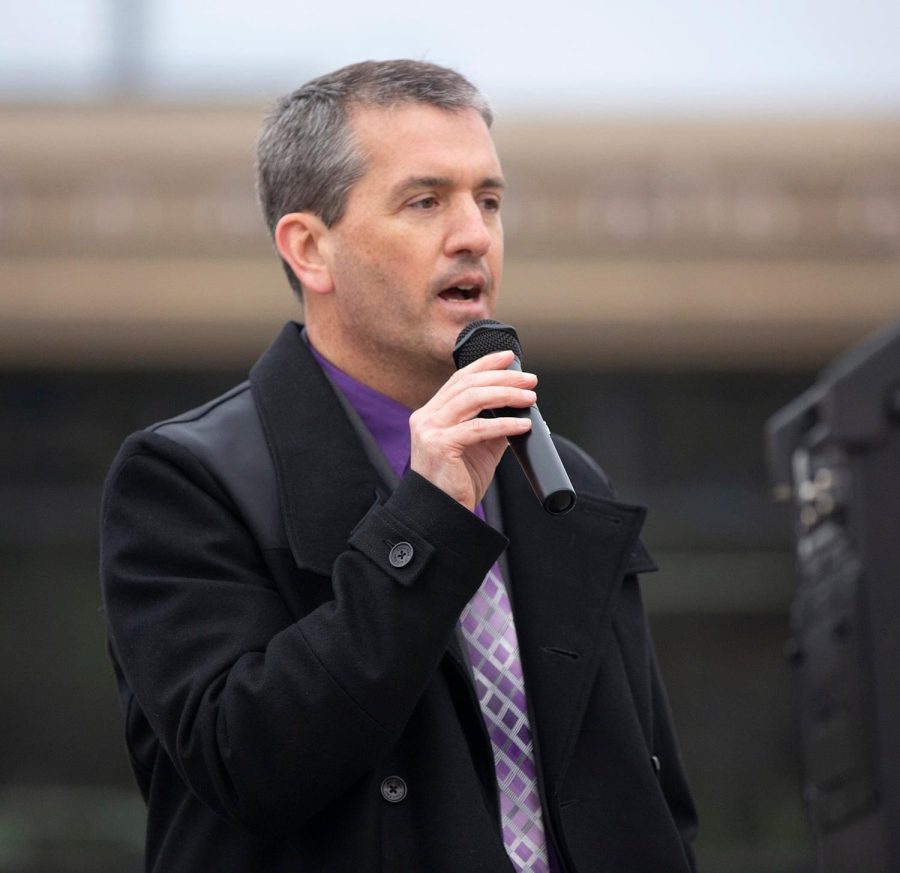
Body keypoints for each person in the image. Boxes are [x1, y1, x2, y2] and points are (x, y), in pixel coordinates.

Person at [100, 59, 697, 873]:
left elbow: (651, 795)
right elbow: (247, 762)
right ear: (310, 248)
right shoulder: (185, 478)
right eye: (426, 201)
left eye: (488, 200)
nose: (474, 235)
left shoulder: (565, 479)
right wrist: (426, 519)